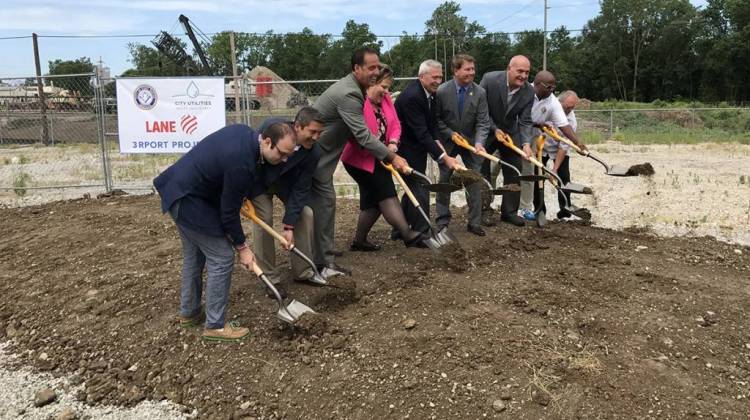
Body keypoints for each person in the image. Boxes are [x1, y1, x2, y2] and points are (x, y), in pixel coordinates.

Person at [154, 122, 296, 342]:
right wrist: (243, 248)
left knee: (195, 256)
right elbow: (228, 214)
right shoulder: (242, 163)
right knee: (222, 257)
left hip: (179, 190)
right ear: (267, 141)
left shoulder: (246, 134)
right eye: (282, 154)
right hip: (189, 200)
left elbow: (223, 177)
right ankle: (215, 326)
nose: (285, 159)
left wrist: (241, 195)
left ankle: (189, 313)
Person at [311, 47, 410, 278]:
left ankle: (322, 252)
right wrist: (392, 156)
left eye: (378, 67)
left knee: (324, 204)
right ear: (357, 68)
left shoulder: (356, 89)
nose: (375, 72)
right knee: (322, 204)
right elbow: (363, 136)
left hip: (324, 157)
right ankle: (323, 262)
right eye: (370, 68)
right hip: (316, 158)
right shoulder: (350, 94)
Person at [340, 65, 427, 250]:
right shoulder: (358, 102)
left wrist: (394, 143)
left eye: (389, 88)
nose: (387, 92)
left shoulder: (386, 100)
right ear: (372, 83)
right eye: (384, 87)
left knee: (373, 201)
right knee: (385, 191)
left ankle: (359, 241)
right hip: (359, 159)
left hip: (382, 155)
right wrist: (387, 153)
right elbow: (361, 137)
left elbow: (396, 123)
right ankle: (407, 233)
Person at [250, 107, 324, 289]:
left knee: (305, 214)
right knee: (264, 218)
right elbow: (252, 155)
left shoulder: (313, 153)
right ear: (298, 127)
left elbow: (301, 189)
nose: (316, 137)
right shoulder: (274, 128)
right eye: (312, 132)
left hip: (285, 185)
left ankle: (303, 271)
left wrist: (289, 225)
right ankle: (269, 278)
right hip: (260, 182)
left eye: (320, 133)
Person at [394, 59, 460, 237]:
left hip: (417, 147)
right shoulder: (412, 97)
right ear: (421, 76)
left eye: (440, 77)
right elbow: (421, 133)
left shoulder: (430, 93)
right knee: (421, 187)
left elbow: (432, 126)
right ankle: (422, 231)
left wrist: (438, 142)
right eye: (434, 77)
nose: (438, 81)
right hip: (404, 150)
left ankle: (398, 228)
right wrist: (444, 158)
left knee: (412, 188)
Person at [435, 54, 491, 236]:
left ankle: (474, 222)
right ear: (456, 70)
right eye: (467, 69)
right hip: (448, 143)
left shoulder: (480, 92)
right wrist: (450, 134)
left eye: (473, 69)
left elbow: (483, 122)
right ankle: (442, 222)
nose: (472, 73)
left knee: (474, 180)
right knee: (444, 181)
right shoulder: (442, 91)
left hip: (471, 143)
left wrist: (480, 143)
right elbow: (436, 120)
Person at [479, 55, 536, 227]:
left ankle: (509, 212)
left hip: (510, 134)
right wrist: (494, 129)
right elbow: (480, 109)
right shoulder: (489, 80)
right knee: (482, 170)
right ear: (509, 68)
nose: (524, 76)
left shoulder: (528, 91)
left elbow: (525, 120)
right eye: (520, 71)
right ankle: (483, 211)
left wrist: (526, 143)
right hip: (486, 131)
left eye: (527, 72)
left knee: (514, 170)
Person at [531, 88, 588, 219]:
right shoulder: (548, 107)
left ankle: (565, 209)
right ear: (559, 101)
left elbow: (564, 146)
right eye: (567, 107)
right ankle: (540, 210)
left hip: (558, 150)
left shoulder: (571, 121)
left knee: (564, 178)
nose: (569, 110)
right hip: (540, 147)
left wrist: (554, 170)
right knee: (537, 179)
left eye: (572, 108)